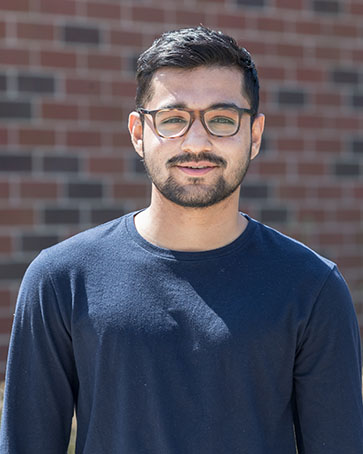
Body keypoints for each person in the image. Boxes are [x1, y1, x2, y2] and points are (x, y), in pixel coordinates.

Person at [0, 26, 362, 453]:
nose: (196, 142)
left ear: (255, 135)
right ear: (138, 133)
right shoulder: (61, 280)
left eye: (222, 120)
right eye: (172, 120)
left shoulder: (311, 287)